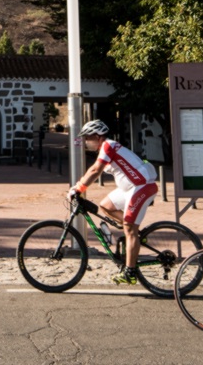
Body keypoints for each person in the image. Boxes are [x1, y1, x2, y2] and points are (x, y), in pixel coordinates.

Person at [67, 119, 157, 285]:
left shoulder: (108, 145)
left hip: (141, 187)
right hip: (130, 188)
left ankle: (129, 273)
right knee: (106, 206)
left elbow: (95, 170)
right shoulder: (106, 148)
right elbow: (95, 168)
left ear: (98, 136)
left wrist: (78, 188)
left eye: (88, 137)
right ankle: (135, 236)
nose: (86, 141)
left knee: (129, 229)